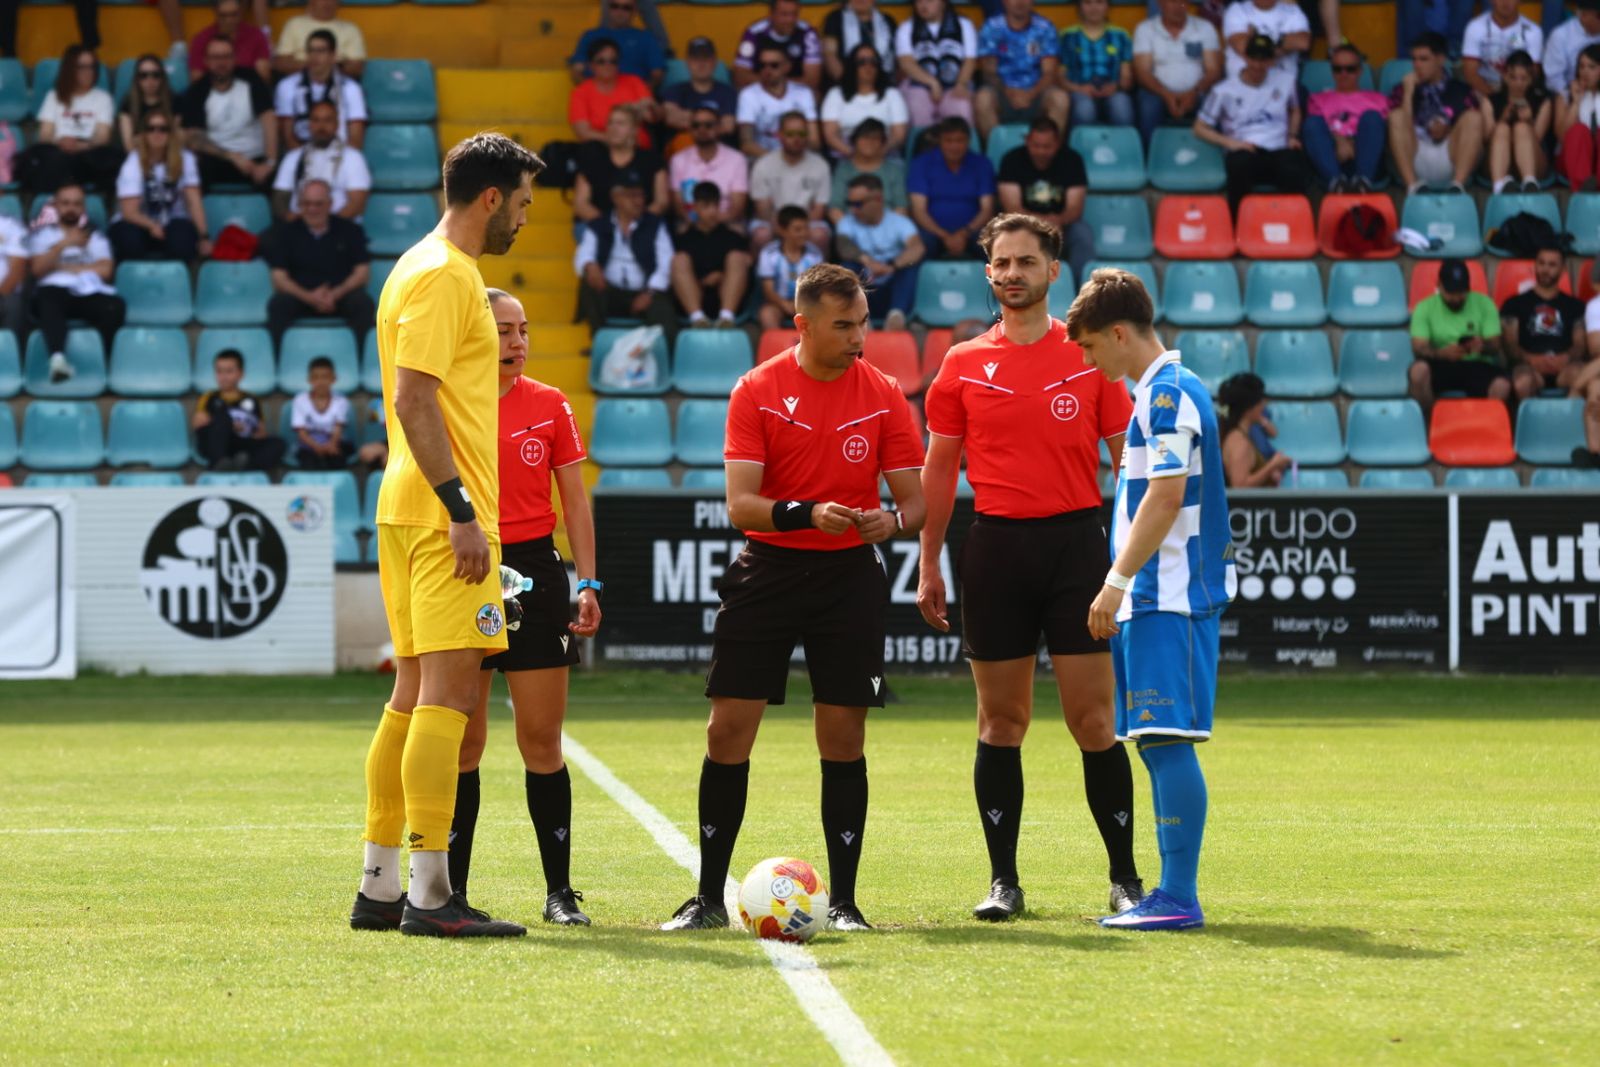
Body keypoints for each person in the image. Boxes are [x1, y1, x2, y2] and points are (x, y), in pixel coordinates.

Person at [660, 262, 926, 933]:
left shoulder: (885, 393)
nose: (859, 336)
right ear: (802, 324)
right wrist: (808, 513)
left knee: (843, 735)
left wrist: (889, 523)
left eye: (863, 321)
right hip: (770, 569)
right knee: (727, 730)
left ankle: (844, 902)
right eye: (844, 325)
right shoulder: (757, 389)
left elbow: (915, 504)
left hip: (850, 577)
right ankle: (707, 898)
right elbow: (741, 504)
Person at [917, 216, 1143, 924]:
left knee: (1094, 720)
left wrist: (1129, 562)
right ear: (988, 273)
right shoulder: (959, 364)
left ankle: (1126, 878)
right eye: (1000, 263)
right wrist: (927, 561)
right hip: (995, 550)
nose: (1011, 273)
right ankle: (1003, 881)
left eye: (1025, 261)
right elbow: (939, 471)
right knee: (1000, 721)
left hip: (1078, 548)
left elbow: (1128, 466)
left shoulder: (1088, 358)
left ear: (1053, 272)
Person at [351, 132, 542, 939]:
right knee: (449, 696)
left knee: (410, 696)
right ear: (492, 197)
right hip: (441, 515)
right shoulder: (444, 274)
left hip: (412, 506)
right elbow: (414, 398)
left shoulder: (419, 265)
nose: (527, 219)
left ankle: (381, 882)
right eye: (524, 203)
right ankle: (431, 894)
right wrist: (462, 510)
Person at [1073, 267, 1236, 932]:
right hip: (1154, 596)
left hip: (1165, 593)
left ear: (1118, 332)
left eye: (1089, 346)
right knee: (1154, 741)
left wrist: (1115, 580)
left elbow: (1165, 496)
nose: (1087, 360)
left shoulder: (1167, 395)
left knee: (1167, 741)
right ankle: (1170, 891)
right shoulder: (1157, 394)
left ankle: (1177, 894)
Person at [446, 288, 603, 925]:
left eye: (524, 331)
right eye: (504, 331)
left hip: (537, 570)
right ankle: (446, 892)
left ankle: (559, 893)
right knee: (464, 743)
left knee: (542, 740)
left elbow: (576, 503)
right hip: (468, 567)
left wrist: (588, 583)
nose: (517, 343)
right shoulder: (448, 404)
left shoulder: (551, 404)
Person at [1194, 34, 1315, 213]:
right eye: (1254, 59)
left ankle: (1294, 227)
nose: (1258, 66)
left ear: (1272, 61)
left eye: (1264, 60)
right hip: (1245, 149)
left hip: (1279, 149)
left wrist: (1292, 135)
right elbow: (1199, 128)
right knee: (1238, 166)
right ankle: (1238, 228)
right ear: (1245, 57)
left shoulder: (1286, 81)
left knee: (1294, 166)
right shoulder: (1224, 90)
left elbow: (1295, 109)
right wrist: (1231, 143)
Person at [28, 183, 125, 385]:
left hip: (87, 293)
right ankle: (57, 359)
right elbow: (38, 270)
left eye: (76, 204)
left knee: (115, 306)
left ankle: (103, 362)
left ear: (83, 208)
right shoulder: (41, 235)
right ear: (55, 206)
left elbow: (106, 271)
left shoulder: (95, 235)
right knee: (49, 297)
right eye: (65, 203)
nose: (71, 208)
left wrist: (60, 266)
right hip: (52, 294)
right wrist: (65, 244)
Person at [263, 178, 373, 343]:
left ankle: (362, 360)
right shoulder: (286, 233)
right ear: (299, 204)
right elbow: (279, 278)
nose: (312, 209)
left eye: (318, 204)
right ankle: (276, 363)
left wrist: (335, 294)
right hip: (301, 296)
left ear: (330, 204)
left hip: (339, 296)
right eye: (307, 204)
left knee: (363, 304)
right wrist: (309, 297)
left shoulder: (351, 231)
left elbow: (362, 272)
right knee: (278, 305)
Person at [572, 174, 677, 338]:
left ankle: (663, 355)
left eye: (641, 195)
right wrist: (590, 266)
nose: (639, 201)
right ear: (616, 197)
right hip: (610, 291)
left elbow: (666, 263)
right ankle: (600, 341)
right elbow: (584, 254)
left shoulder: (654, 224)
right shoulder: (600, 224)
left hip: (646, 292)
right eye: (632, 196)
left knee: (663, 310)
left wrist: (649, 292)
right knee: (588, 283)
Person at [997, 116, 1092, 283]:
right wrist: (1042, 223)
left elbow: (1075, 208)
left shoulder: (1072, 160)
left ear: (1058, 143)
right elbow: (1012, 207)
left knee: (1082, 234)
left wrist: (1058, 221)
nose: (1041, 151)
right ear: (1027, 141)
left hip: (1062, 225)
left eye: (1047, 146)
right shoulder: (1012, 160)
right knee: (998, 233)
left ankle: (1083, 290)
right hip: (1022, 224)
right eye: (1036, 145)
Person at [1409, 257, 1511, 410]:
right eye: (1451, 292)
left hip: (1476, 364)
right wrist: (1442, 353)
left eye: (1461, 292)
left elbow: (1495, 345)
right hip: (1441, 364)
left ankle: (1486, 429)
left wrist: (1481, 345)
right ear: (1439, 286)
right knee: (1418, 372)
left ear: (1468, 287)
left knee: (1502, 385)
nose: (1456, 298)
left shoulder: (1485, 303)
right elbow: (1419, 347)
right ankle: (1429, 426)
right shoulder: (1424, 307)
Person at [1389, 31, 1484, 195]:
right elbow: (1400, 127)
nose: (1417, 65)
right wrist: (1409, 92)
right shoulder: (1402, 89)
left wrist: (1448, 129)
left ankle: (1457, 186)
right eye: (1414, 59)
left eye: (1424, 59)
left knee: (1474, 117)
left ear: (1440, 59)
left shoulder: (1461, 89)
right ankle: (1412, 186)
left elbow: (1474, 133)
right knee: (1397, 116)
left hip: (1450, 155)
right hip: (1415, 153)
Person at [17, 45, 118, 195]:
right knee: (43, 157)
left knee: (108, 158)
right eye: (82, 67)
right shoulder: (54, 96)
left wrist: (81, 146)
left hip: (88, 150)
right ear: (70, 69)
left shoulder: (103, 98)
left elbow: (103, 136)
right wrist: (62, 143)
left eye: (91, 67)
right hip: (59, 148)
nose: (88, 72)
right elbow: (45, 133)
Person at [108, 112, 210, 263]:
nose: (157, 133)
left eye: (163, 129)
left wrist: (204, 236)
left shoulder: (185, 159)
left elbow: (193, 200)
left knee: (183, 241)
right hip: (138, 221)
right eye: (151, 129)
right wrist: (152, 225)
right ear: (144, 134)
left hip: (173, 221)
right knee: (129, 240)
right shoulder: (133, 161)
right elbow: (129, 212)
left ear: (171, 134)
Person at [181, 35, 278, 190]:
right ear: (206, 60)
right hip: (218, 159)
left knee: (274, 176)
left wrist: (270, 161)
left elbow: (269, 119)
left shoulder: (252, 80)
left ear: (235, 59)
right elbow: (192, 136)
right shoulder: (197, 91)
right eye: (215, 57)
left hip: (255, 157)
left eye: (226, 56)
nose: (221, 62)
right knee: (195, 170)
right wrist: (232, 157)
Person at [836, 173, 924, 330]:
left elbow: (917, 247)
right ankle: (859, 316)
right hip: (865, 286)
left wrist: (892, 266)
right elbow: (844, 246)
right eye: (850, 203)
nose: (853, 209)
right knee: (847, 266)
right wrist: (869, 262)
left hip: (893, 287)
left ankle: (897, 315)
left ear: (877, 200)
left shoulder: (899, 222)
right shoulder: (847, 222)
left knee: (911, 266)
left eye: (858, 204)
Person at [974, 0, 1070, 141]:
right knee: (982, 99)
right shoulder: (992, 27)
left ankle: (1048, 151)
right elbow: (989, 73)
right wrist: (1009, 92)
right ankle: (998, 151)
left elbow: (1049, 73)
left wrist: (1030, 94)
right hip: (1002, 94)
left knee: (1060, 99)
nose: (1020, 2)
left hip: (1037, 93)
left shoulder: (1045, 27)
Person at [1503, 244, 1587, 402]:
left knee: (1581, 375)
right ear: (1535, 265)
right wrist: (1531, 359)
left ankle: (1568, 422)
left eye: (1552, 264)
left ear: (1563, 269)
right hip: (1529, 367)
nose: (1545, 269)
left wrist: (1566, 358)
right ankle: (1532, 424)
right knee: (1523, 382)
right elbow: (1510, 346)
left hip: (1565, 367)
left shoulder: (1575, 306)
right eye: (1541, 263)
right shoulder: (1514, 304)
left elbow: (1580, 345)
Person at [1303, 43, 1392, 193]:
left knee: (1372, 118)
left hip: (1367, 159)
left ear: (1360, 71)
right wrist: (1339, 140)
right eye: (1338, 69)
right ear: (1332, 72)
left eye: (1350, 69)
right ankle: (1336, 182)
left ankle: (1363, 181)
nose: (1343, 74)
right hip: (1332, 160)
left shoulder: (1379, 100)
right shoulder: (1318, 99)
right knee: (1312, 123)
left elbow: (1380, 135)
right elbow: (1315, 134)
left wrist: (1353, 143)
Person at [1132, 0, 1223, 145]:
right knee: (1148, 106)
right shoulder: (1145, 29)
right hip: (1158, 93)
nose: (1178, 7)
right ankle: (1150, 158)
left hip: (1198, 92)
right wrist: (1166, 95)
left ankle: (1216, 158)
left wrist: (1193, 93)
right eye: (1172, 2)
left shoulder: (1205, 28)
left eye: (1183, 2)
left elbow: (1213, 71)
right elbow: (1143, 73)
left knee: (1214, 103)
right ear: (1160, 4)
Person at [908, 115, 996, 260]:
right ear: (940, 141)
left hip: (973, 231)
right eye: (949, 141)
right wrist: (945, 236)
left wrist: (963, 233)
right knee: (918, 247)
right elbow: (919, 211)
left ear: (968, 141)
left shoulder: (982, 164)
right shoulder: (921, 164)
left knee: (993, 245)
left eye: (959, 141)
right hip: (932, 232)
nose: (954, 146)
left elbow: (987, 209)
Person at [272, 99, 372, 222]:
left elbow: (357, 203)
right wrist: (297, 222)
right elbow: (280, 199)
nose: (321, 127)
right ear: (309, 124)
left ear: (337, 124)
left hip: (340, 228)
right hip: (299, 228)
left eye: (327, 120)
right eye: (316, 120)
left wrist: (325, 226)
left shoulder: (353, 157)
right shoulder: (293, 157)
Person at [671, 181, 753, 327]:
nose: (712, 211)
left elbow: (747, 271)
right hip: (693, 298)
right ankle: (697, 319)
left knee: (737, 258)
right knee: (679, 260)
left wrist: (721, 276)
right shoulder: (682, 240)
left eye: (715, 205)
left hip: (727, 298)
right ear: (695, 207)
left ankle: (726, 318)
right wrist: (702, 280)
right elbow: (678, 276)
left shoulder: (733, 237)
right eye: (706, 206)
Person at [749, 110, 832, 249]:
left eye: (801, 134)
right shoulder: (763, 164)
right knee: (761, 235)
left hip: (808, 223)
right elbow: (763, 210)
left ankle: (822, 272)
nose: (797, 139)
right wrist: (785, 229)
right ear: (779, 135)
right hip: (773, 222)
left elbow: (818, 210)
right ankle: (763, 270)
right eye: (790, 134)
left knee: (820, 236)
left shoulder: (820, 165)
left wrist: (798, 230)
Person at [193, 348, 286, 471]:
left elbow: (261, 432)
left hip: (241, 444)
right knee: (222, 418)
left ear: (241, 374)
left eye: (229, 371)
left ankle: (245, 464)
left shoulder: (252, 399)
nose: (223, 376)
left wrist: (252, 430)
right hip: (218, 445)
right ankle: (219, 462)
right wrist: (226, 424)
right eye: (219, 371)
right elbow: (197, 424)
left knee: (278, 444)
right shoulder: (209, 397)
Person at [275, 30, 366, 151]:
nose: (314, 56)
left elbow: (356, 139)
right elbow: (287, 138)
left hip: (339, 158)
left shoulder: (351, 89)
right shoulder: (287, 86)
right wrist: (308, 161)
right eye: (310, 50)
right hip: (301, 158)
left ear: (333, 56)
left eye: (321, 51)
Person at [573, 108, 668, 224]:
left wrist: (638, 224)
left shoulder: (652, 160)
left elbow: (661, 201)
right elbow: (581, 204)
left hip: (643, 225)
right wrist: (612, 226)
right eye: (610, 123)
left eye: (621, 123)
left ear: (635, 130)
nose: (614, 128)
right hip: (599, 226)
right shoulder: (592, 160)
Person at [896, 0, 978, 129]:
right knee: (917, 105)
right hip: (919, 83)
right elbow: (906, 63)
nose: (923, 5)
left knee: (961, 106)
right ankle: (923, 146)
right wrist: (932, 83)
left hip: (956, 82)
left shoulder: (964, 25)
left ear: (943, 3)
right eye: (919, 2)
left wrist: (961, 84)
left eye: (929, 1)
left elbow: (970, 60)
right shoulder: (906, 27)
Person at [821, 43, 909, 158]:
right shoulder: (835, 94)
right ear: (852, 66)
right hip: (845, 158)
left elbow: (899, 136)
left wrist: (878, 153)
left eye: (873, 61)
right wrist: (854, 155)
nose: (868, 66)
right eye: (861, 62)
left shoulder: (892, 94)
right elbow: (830, 135)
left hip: (885, 158)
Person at [1058, 0, 1135, 130]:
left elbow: (1126, 76)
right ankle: (1082, 148)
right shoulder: (1067, 36)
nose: (1094, 8)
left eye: (1099, 2)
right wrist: (1079, 88)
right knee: (1085, 110)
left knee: (1121, 107)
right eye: (1088, 3)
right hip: (1079, 92)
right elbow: (1060, 77)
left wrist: (1116, 87)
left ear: (1107, 6)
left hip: (1113, 92)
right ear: (1080, 6)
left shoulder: (1121, 35)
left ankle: (1123, 149)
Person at [1483, 50, 1553, 192]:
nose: (1518, 83)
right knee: (1502, 128)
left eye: (1523, 78)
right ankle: (1499, 185)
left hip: (1534, 161)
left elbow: (1538, 139)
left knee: (1521, 128)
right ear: (1504, 76)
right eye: (1513, 78)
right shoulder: (1491, 100)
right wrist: (1503, 118)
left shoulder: (1542, 101)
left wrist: (1529, 122)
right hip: (1497, 162)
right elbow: (1486, 139)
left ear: (1531, 79)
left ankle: (1529, 182)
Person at [668, 105, 749, 226]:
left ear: (719, 128)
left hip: (726, 223)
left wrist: (710, 223)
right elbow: (679, 205)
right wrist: (699, 225)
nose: (702, 129)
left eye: (708, 125)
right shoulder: (678, 160)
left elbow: (737, 208)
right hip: (691, 224)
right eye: (696, 125)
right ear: (690, 129)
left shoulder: (737, 159)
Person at [569, 39, 659, 149]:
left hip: (637, 147)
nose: (608, 65)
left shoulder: (634, 82)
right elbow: (583, 133)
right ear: (591, 65)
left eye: (613, 61)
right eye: (601, 61)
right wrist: (618, 140)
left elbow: (650, 116)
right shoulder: (581, 92)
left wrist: (647, 107)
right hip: (601, 150)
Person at [738, 44, 821, 158]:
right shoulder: (748, 95)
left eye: (774, 65)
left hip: (799, 159)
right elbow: (746, 143)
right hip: (762, 160)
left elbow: (814, 140)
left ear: (787, 67)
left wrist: (794, 159)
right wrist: (777, 163)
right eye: (762, 65)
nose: (767, 70)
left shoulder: (803, 93)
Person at [756, 204, 826, 330]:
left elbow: (817, 288)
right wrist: (784, 304)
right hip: (778, 305)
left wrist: (802, 306)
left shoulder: (815, 254)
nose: (804, 233)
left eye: (806, 228)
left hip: (807, 306)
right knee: (767, 314)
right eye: (798, 230)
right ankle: (777, 348)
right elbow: (768, 290)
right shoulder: (768, 253)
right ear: (783, 230)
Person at [1217, 372, 1293, 488]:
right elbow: (1239, 486)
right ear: (1251, 407)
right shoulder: (1239, 443)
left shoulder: (1237, 435)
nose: (1263, 406)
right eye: (1260, 402)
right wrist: (1272, 465)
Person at [568, 0, 665, 87]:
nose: (620, 11)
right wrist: (592, 93)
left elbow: (657, 75)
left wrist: (640, 94)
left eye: (626, 8)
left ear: (634, 11)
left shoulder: (646, 38)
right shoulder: (590, 36)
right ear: (608, 7)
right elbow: (576, 71)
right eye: (615, 6)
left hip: (634, 101)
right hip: (597, 98)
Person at [828, 118, 908, 224]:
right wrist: (851, 230)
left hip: (888, 230)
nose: (870, 142)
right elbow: (835, 208)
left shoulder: (894, 170)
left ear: (883, 143)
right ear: (855, 141)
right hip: (852, 228)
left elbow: (901, 207)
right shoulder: (844, 170)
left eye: (876, 138)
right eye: (865, 137)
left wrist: (886, 231)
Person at [660, 37, 738, 144]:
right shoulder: (674, 91)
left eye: (706, 59)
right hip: (682, 152)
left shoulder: (728, 92)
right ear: (687, 62)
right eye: (696, 59)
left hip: (720, 152)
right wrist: (713, 122)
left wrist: (689, 118)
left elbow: (728, 126)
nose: (701, 64)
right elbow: (671, 119)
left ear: (715, 62)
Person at [734, 0, 823, 92]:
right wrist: (775, 85)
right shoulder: (754, 33)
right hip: (761, 92)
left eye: (794, 14)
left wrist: (779, 85)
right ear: (771, 14)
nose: (790, 20)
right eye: (784, 14)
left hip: (796, 93)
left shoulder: (807, 33)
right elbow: (740, 77)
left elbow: (812, 80)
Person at [1462, 0, 1544, 98]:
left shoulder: (1533, 31)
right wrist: (1494, 100)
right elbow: (1470, 72)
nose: (1506, 2)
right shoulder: (1475, 27)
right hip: (1483, 86)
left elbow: (1533, 72)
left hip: (1519, 88)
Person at [290, 356, 354, 469]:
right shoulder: (299, 400)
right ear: (309, 380)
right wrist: (317, 447)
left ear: (333, 378)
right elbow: (301, 432)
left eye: (325, 377)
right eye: (316, 377)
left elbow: (338, 428)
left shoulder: (341, 401)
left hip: (334, 444)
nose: (320, 382)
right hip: (309, 445)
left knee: (337, 460)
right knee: (309, 463)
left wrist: (331, 445)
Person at [1221, 0, 1310, 80]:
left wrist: (1256, 40)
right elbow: (1242, 46)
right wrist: (1284, 44)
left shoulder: (1293, 11)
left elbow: (1303, 42)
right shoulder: (1237, 10)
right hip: (1241, 84)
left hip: (1283, 87)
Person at [275, 0, 365, 78]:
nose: (327, 3)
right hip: (298, 81)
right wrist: (319, 66)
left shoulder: (350, 29)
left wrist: (322, 69)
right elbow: (282, 63)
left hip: (339, 83)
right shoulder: (294, 24)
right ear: (311, 1)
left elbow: (357, 68)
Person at [189, 0, 273, 84]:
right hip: (213, 92)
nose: (229, 20)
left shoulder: (257, 36)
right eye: (223, 16)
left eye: (234, 15)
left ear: (240, 11)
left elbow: (264, 76)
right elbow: (197, 78)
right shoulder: (201, 39)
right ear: (215, 12)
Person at [1557, 44, 1600, 188]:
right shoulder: (1565, 96)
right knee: (1578, 130)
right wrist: (1576, 102)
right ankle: (1583, 186)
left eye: (1592, 67)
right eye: (1582, 67)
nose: (1585, 72)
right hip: (1573, 162)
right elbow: (1562, 137)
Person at [118, 53, 180, 150]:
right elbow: (128, 146)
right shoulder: (127, 103)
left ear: (162, 77)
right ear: (137, 79)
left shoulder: (175, 101)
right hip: (138, 157)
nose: (150, 80)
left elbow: (176, 140)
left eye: (155, 75)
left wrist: (141, 139)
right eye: (143, 75)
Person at [1544, 0, 1600, 95]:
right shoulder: (1561, 36)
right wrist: (1572, 96)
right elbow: (1553, 79)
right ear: (1584, 15)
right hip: (1570, 97)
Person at [0, 210, 25, 333]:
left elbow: (16, 272)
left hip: (4, 295)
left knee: (13, 304)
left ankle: (7, 350)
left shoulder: (12, 226)